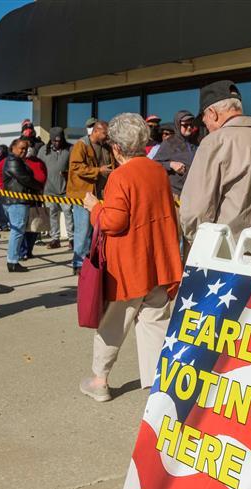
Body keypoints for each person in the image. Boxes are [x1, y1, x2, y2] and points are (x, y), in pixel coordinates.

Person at [79, 113, 182, 402]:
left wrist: (94, 207)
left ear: (116, 147)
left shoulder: (119, 176)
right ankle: (159, 389)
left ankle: (100, 381)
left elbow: (113, 222)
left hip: (127, 267)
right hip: (158, 262)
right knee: (155, 322)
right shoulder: (158, 172)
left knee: (113, 323)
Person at [180, 80, 251, 242]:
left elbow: (195, 211)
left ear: (212, 113)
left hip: (229, 252)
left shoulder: (215, 142)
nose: (205, 123)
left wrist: (198, 242)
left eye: (204, 118)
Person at [67, 120, 112, 275]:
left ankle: (92, 261)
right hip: (83, 195)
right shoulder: (81, 145)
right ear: (96, 131)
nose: (107, 137)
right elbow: (75, 167)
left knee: (96, 230)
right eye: (105, 134)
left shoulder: (106, 147)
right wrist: (98, 170)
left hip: (100, 196)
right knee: (83, 229)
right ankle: (78, 262)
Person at [0, 139, 44, 273]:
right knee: (17, 231)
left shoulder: (17, 161)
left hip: (17, 201)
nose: (24, 151)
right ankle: (13, 261)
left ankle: (13, 259)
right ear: (13, 148)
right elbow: (25, 178)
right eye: (21, 148)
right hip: (16, 202)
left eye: (26, 148)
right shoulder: (13, 161)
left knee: (18, 231)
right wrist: (39, 187)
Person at [37, 127, 74, 249]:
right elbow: (38, 167)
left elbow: (76, 166)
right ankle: (55, 239)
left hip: (65, 190)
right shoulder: (43, 150)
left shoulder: (70, 149)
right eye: (54, 141)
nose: (56, 143)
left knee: (68, 213)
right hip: (48, 190)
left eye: (59, 140)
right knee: (52, 214)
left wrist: (68, 173)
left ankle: (72, 239)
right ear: (50, 140)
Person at [155, 110, 198, 200]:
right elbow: (155, 164)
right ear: (178, 125)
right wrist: (171, 165)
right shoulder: (170, 142)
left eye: (191, 125)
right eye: (185, 125)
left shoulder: (195, 142)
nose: (189, 127)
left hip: (195, 193)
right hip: (177, 195)